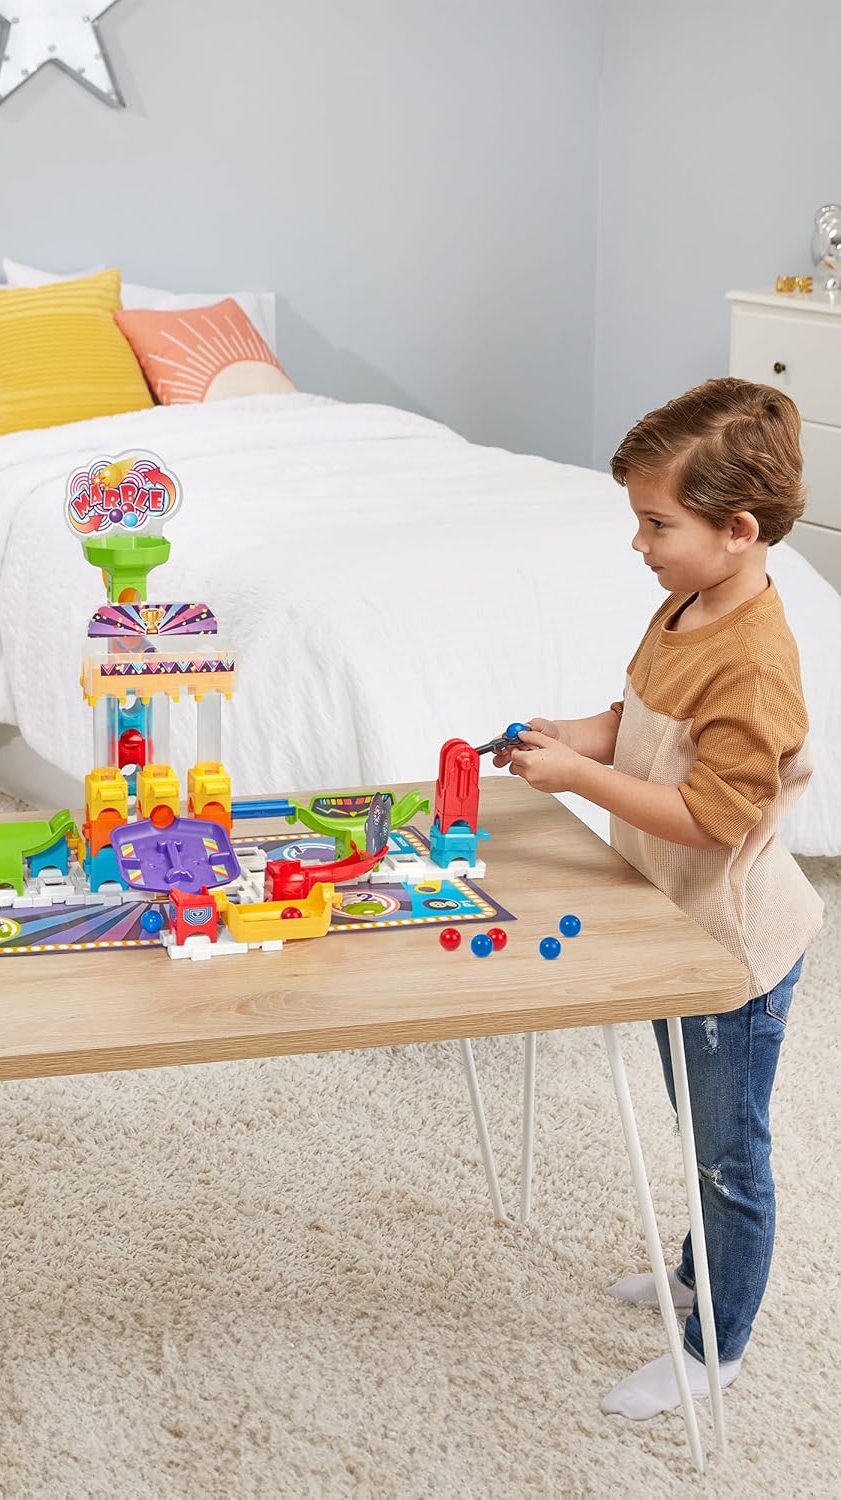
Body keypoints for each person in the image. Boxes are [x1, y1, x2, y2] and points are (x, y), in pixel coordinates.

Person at [498, 377, 823, 1420]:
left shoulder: (756, 665)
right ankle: (697, 1275)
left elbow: (715, 816)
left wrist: (582, 784)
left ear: (737, 530)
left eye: (655, 523)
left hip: (730, 946)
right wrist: (572, 738)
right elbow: (630, 715)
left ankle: (714, 1347)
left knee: (730, 1154)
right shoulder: (683, 604)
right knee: (698, 1127)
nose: (638, 544)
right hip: (667, 923)